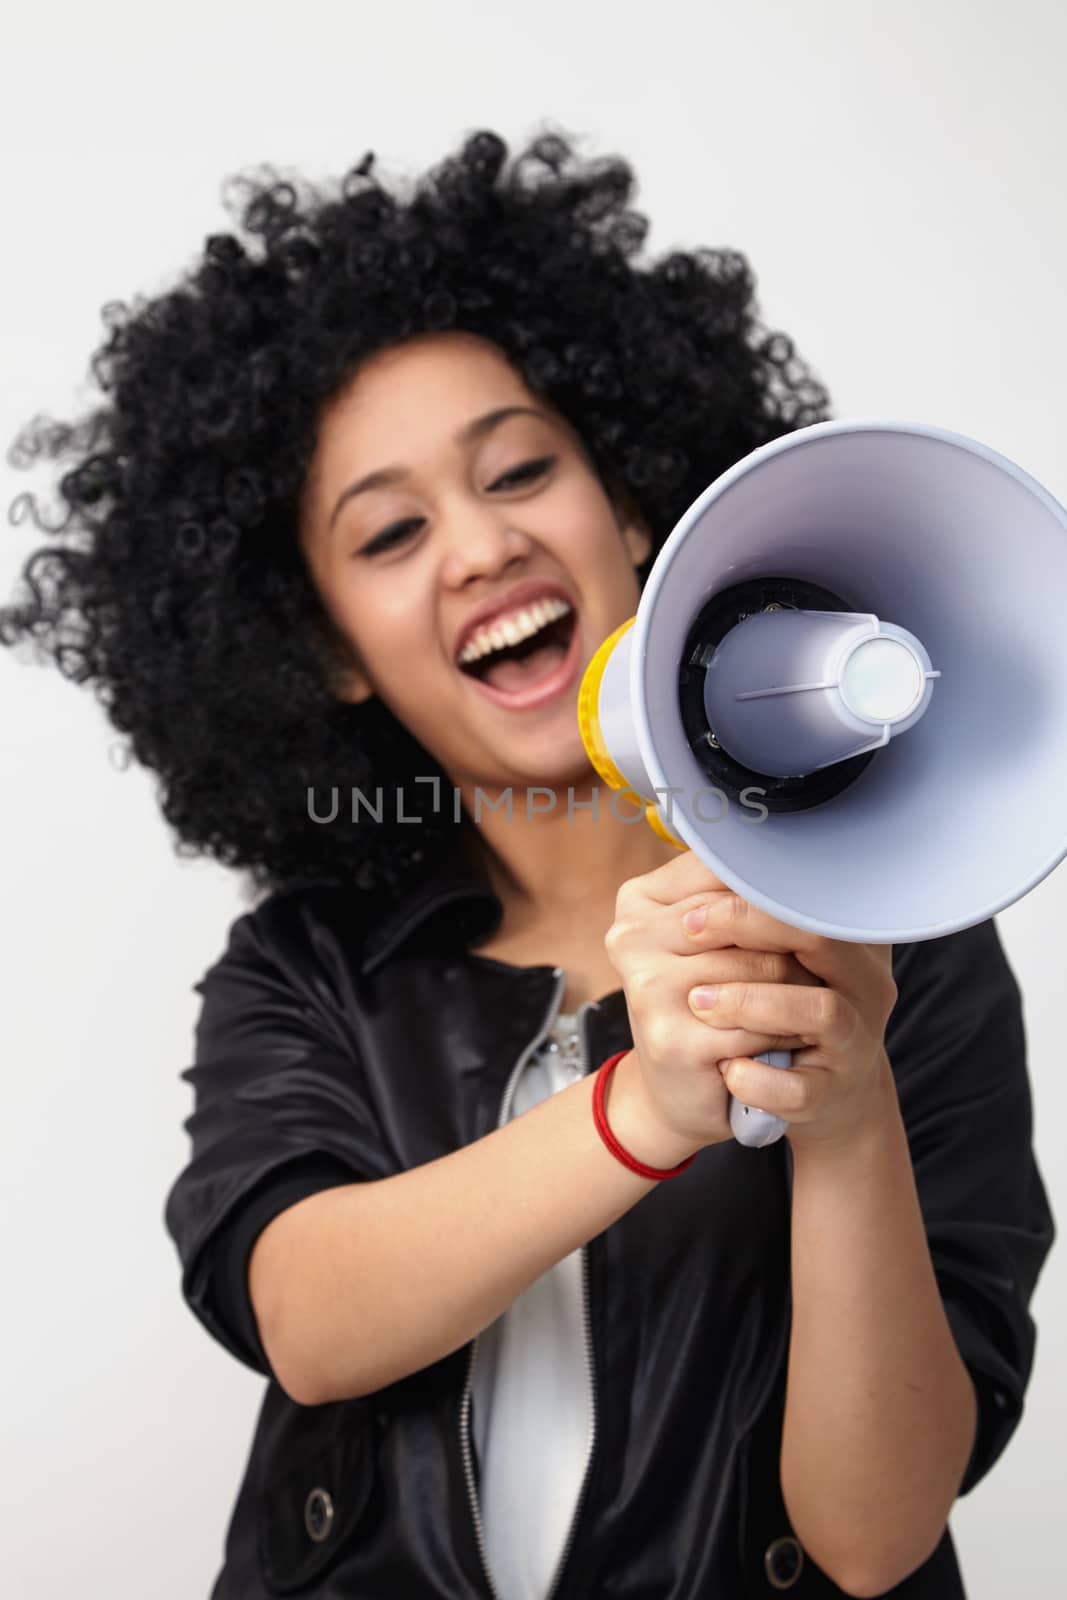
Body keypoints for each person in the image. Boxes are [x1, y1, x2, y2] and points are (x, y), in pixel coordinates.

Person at [0, 128, 1055, 1599]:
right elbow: (308, 1318)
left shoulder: (899, 935)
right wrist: (644, 1107)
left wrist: (848, 1104)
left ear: (629, 510)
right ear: (327, 652)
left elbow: (874, 1539)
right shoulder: (310, 970)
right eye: (389, 533)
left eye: (521, 469)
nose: (481, 544)